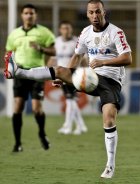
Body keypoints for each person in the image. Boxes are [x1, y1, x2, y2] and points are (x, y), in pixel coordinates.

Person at [4, 0, 132, 179]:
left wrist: (104, 61)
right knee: (61, 70)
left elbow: (127, 58)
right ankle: (19, 72)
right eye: (91, 12)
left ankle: (110, 165)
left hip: (111, 81)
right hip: (91, 78)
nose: (95, 16)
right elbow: (77, 55)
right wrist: (65, 79)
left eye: (98, 12)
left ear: (104, 13)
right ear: (87, 14)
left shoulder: (116, 32)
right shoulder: (85, 33)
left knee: (109, 119)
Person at [4, 4, 55, 152]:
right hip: (20, 73)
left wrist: (41, 49)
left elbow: (54, 50)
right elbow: (8, 54)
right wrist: (8, 68)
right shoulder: (14, 34)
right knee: (18, 106)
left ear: (35, 15)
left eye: (31, 13)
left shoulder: (43, 32)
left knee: (36, 109)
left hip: (37, 73)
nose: (29, 16)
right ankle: (17, 143)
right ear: (22, 15)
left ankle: (42, 133)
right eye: (26, 13)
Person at [50, 21, 87, 135]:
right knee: (70, 100)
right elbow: (53, 59)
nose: (66, 30)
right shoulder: (57, 42)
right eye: (64, 28)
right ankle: (81, 126)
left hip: (73, 74)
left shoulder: (77, 42)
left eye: (68, 28)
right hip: (61, 74)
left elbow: (84, 60)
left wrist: (86, 73)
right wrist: (49, 72)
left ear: (71, 29)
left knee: (70, 99)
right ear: (60, 30)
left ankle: (68, 126)